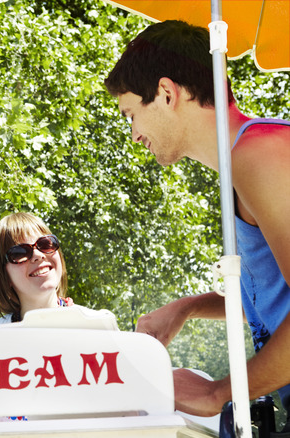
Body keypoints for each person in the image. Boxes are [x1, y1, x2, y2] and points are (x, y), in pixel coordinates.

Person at [104, 20, 290, 419]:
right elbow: (272, 299)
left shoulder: (261, 157)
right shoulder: (246, 164)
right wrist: (188, 307)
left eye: (130, 114)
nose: (134, 134)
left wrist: (219, 392)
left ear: (166, 93)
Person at [0, 212, 114, 329]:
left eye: (45, 244)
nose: (38, 255)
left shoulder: (97, 325)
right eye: (20, 253)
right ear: (3, 275)